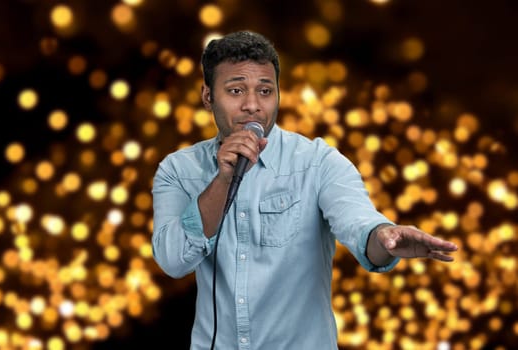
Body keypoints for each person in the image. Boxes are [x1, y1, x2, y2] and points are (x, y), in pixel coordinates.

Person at [151, 30, 458, 350]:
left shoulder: (318, 162)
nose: (253, 105)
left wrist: (384, 237)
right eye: (236, 90)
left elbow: (358, 222)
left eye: (265, 90)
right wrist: (223, 180)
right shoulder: (178, 170)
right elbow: (173, 260)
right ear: (208, 96)